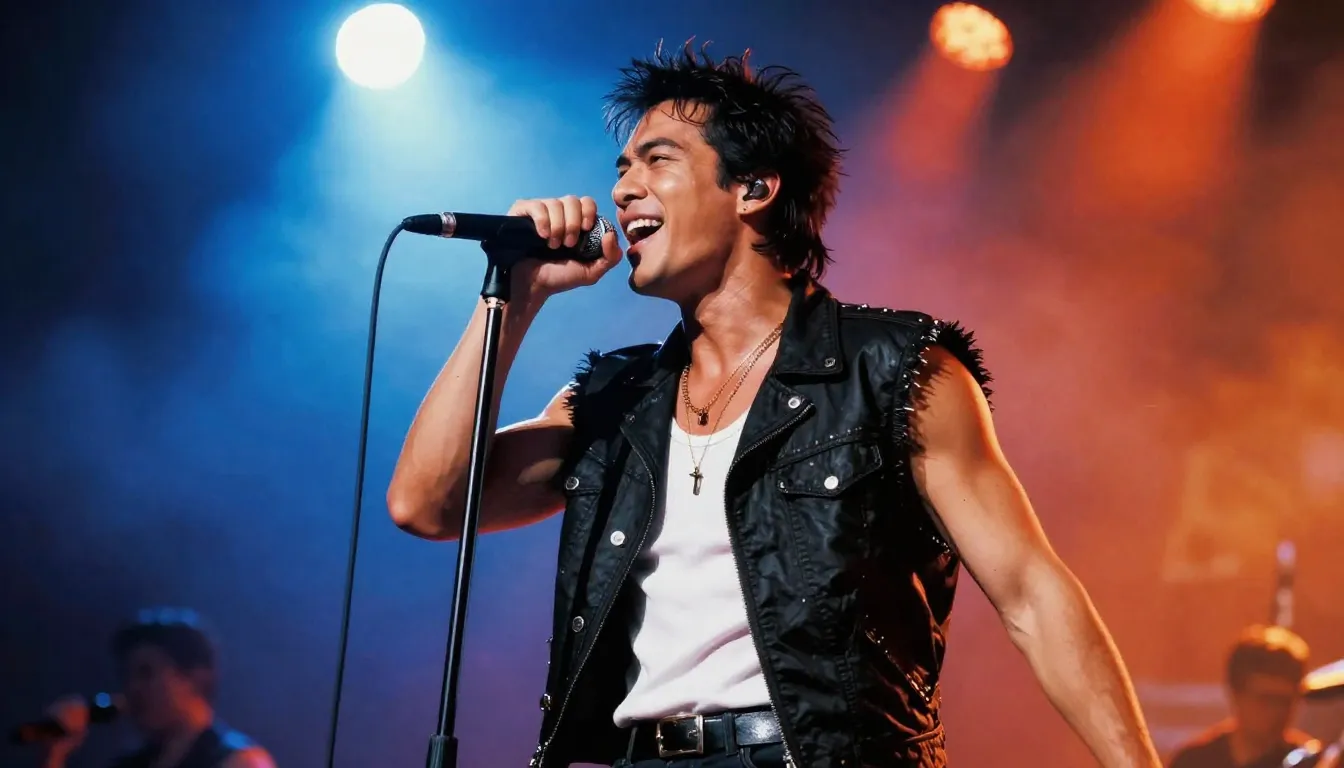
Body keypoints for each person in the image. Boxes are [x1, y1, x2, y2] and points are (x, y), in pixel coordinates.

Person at [387, 43, 1160, 768]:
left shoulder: (893, 372)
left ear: (754, 189)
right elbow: (426, 505)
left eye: (658, 160)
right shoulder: (613, 400)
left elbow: (1031, 595)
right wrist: (515, 298)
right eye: (622, 168)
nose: (622, 190)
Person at [39, 609, 274, 768]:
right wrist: (54, 754)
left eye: (146, 673)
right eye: (127, 676)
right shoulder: (129, 764)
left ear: (196, 679)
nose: (132, 688)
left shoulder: (239, 762)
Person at [1168, 625, 1318, 768]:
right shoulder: (1194, 762)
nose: (1276, 711)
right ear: (1236, 694)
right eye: (1265, 699)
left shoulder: (1312, 764)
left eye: (1285, 701)